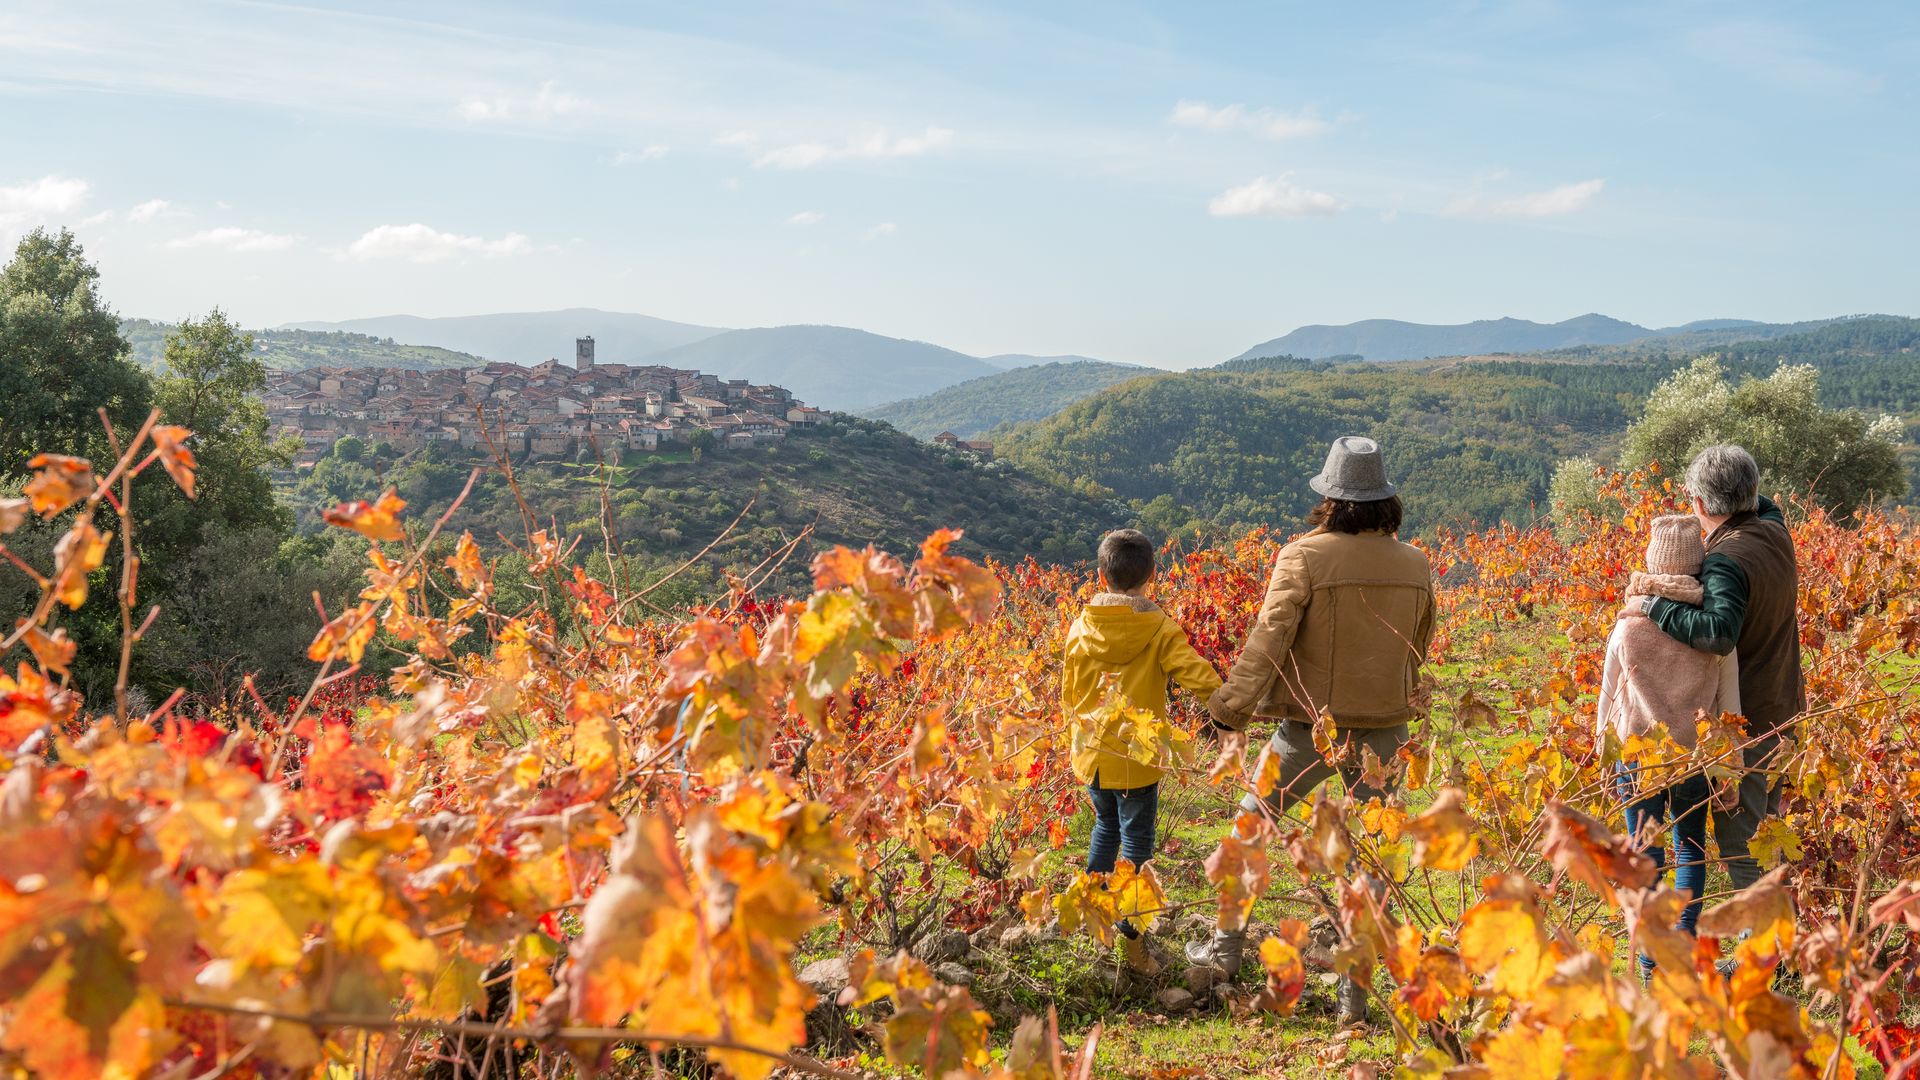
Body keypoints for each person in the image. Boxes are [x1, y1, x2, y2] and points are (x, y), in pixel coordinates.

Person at [1184, 436, 1435, 1027]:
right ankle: (1355, 995)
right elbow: (1416, 646)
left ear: (1330, 498)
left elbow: (1266, 642)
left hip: (1307, 728)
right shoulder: (1417, 563)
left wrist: (1228, 709)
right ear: (1384, 501)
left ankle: (1225, 953)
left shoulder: (1302, 556)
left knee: (1250, 829)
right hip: (1386, 732)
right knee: (1371, 859)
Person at [1629, 445, 1804, 896]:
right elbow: (1765, 503)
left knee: (1742, 847)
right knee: (1769, 834)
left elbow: (1718, 632)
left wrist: (1654, 605)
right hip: (1784, 706)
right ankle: (1781, 953)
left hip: (1748, 722)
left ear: (1701, 504)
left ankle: (1764, 962)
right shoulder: (1774, 530)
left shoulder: (1727, 560)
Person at [1598, 514, 1740, 978]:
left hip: (1637, 760)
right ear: (1698, 568)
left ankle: (1648, 962)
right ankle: (1683, 952)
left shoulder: (1627, 627)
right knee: (1691, 851)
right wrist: (1730, 769)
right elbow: (1728, 708)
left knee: (1646, 860)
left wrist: (1604, 754)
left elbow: (1609, 697)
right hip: (1694, 761)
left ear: (1652, 564)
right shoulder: (1713, 634)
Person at [1061, 528, 1223, 935]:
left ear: (1101, 577)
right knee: (1136, 840)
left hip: (1095, 754)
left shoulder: (1081, 628)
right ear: (1151, 575)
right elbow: (1196, 674)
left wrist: (1075, 742)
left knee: (1105, 826)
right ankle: (1129, 928)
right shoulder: (1159, 629)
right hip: (1139, 758)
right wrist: (1229, 706)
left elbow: (1069, 692)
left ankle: (1093, 907)